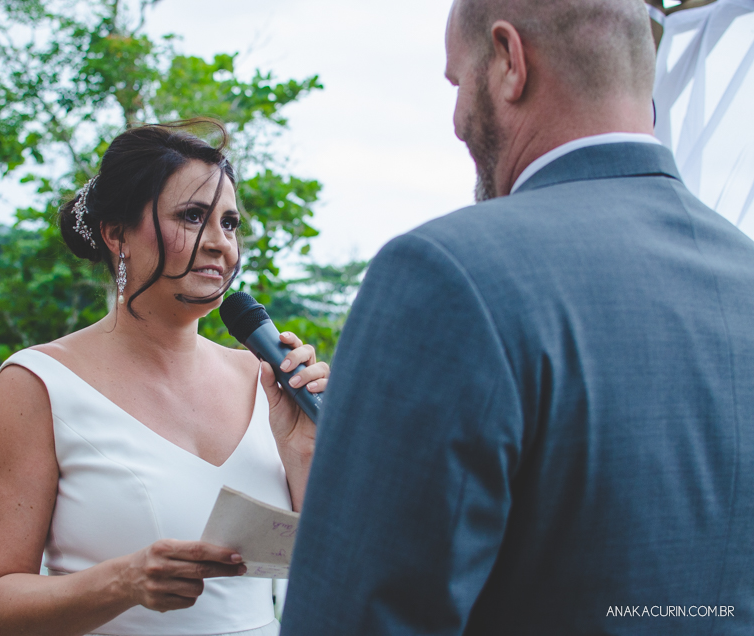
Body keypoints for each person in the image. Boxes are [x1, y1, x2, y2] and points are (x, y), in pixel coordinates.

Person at [281, 1, 754, 634]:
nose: (454, 120)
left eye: (456, 83)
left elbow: (357, 619)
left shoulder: (445, 274)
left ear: (509, 60)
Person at [0, 120, 328, 636]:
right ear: (118, 234)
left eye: (229, 223)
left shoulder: (265, 381)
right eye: (192, 217)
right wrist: (123, 582)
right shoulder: (38, 384)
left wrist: (305, 451)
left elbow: (338, 565)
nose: (220, 244)